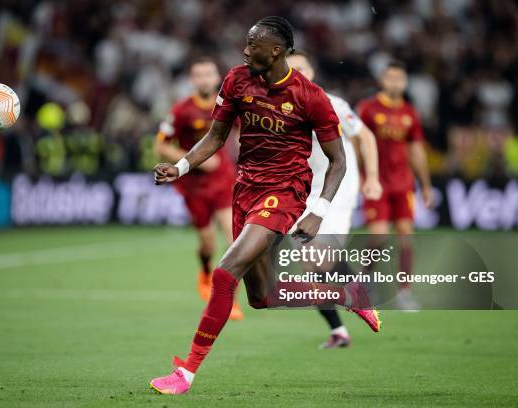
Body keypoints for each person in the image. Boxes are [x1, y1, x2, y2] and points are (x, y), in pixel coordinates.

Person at [150, 16, 380, 395]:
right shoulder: (237, 80)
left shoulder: (311, 97)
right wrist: (180, 167)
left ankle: (186, 373)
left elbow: (339, 161)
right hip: (245, 190)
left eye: (252, 43)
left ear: (275, 51)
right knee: (261, 298)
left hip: (285, 192)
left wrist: (318, 211)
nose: (245, 49)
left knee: (225, 273)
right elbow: (216, 136)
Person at [287, 50, 382, 348]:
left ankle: (359, 295)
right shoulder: (281, 107)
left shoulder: (333, 103)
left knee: (320, 252)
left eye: (301, 68)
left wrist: (374, 178)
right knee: (310, 267)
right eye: (290, 69)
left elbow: (365, 137)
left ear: (312, 71)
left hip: (339, 185)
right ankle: (339, 331)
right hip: (307, 190)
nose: (297, 74)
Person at [154, 57, 242, 320]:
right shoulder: (181, 111)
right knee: (207, 244)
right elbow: (160, 146)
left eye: (209, 74)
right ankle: (204, 270)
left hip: (224, 181)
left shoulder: (228, 106)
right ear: (192, 80)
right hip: (194, 187)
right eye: (199, 75)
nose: (204, 79)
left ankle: (229, 301)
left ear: (217, 78)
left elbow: (240, 135)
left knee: (233, 239)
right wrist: (193, 159)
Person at [357, 60, 433, 311]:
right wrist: (360, 176)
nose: (395, 82)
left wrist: (426, 185)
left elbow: (416, 150)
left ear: (405, 81)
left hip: (403, 184)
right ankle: (364, 279)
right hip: (377, 182)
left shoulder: (410, 112)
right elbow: (358, 145)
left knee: (405, 236)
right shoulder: (368, 108)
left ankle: (405, 292)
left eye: (399, 78)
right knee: (379, 236)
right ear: (382, 80)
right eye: (390, 77)